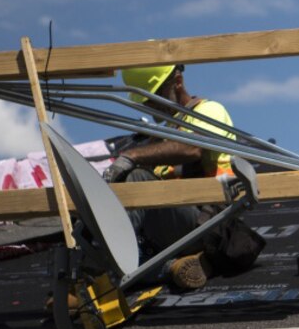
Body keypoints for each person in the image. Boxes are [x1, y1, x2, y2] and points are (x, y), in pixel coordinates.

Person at [103, 65, 265, 289]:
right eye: (144, 101)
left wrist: (132, 156)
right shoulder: (165, 133)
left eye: (153, 96)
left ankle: (104, 270)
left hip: (206, 224)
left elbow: (192, 149)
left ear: (177, 82)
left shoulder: (209, 111)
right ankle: (174, 266)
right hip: (174, 229)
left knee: (138, 179)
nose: (148, 105)